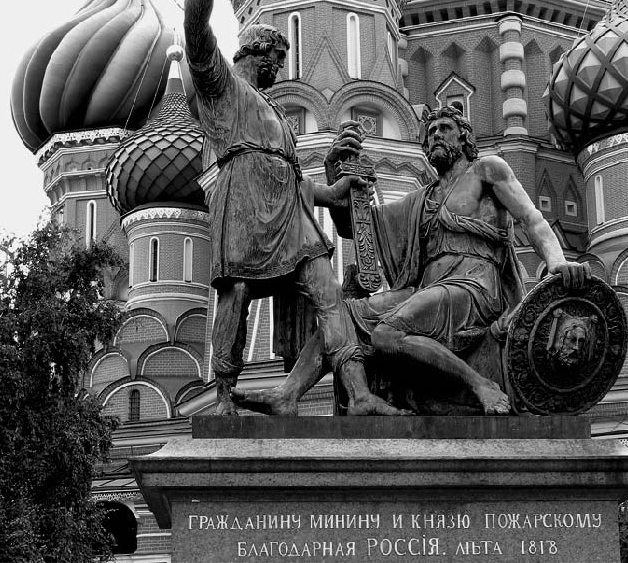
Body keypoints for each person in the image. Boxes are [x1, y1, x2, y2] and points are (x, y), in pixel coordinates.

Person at [233, 106, 590, 415]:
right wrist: (336, 172)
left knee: (386, 334)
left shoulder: (486, 170)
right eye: (431, 131)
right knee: (341, 314)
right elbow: (356, 227)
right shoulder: (422, 199)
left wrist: (557, 262)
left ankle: (480, 384)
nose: (436, 136)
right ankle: (288, 394)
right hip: (429, 289)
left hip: (474, 287)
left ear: (464, 137)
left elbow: (531, 218)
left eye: (445, 128)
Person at [185, 0, 404, 416]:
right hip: (243, 203)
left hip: (290, 216)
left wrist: (335, 190)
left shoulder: (273, 111)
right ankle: (224, 397)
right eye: (278, 58)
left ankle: (359, 393)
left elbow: (294, 180)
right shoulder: (222, 88)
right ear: (257, 52)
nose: (282, 68)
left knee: (330, 295)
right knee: (236, 294)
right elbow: (195, 30)